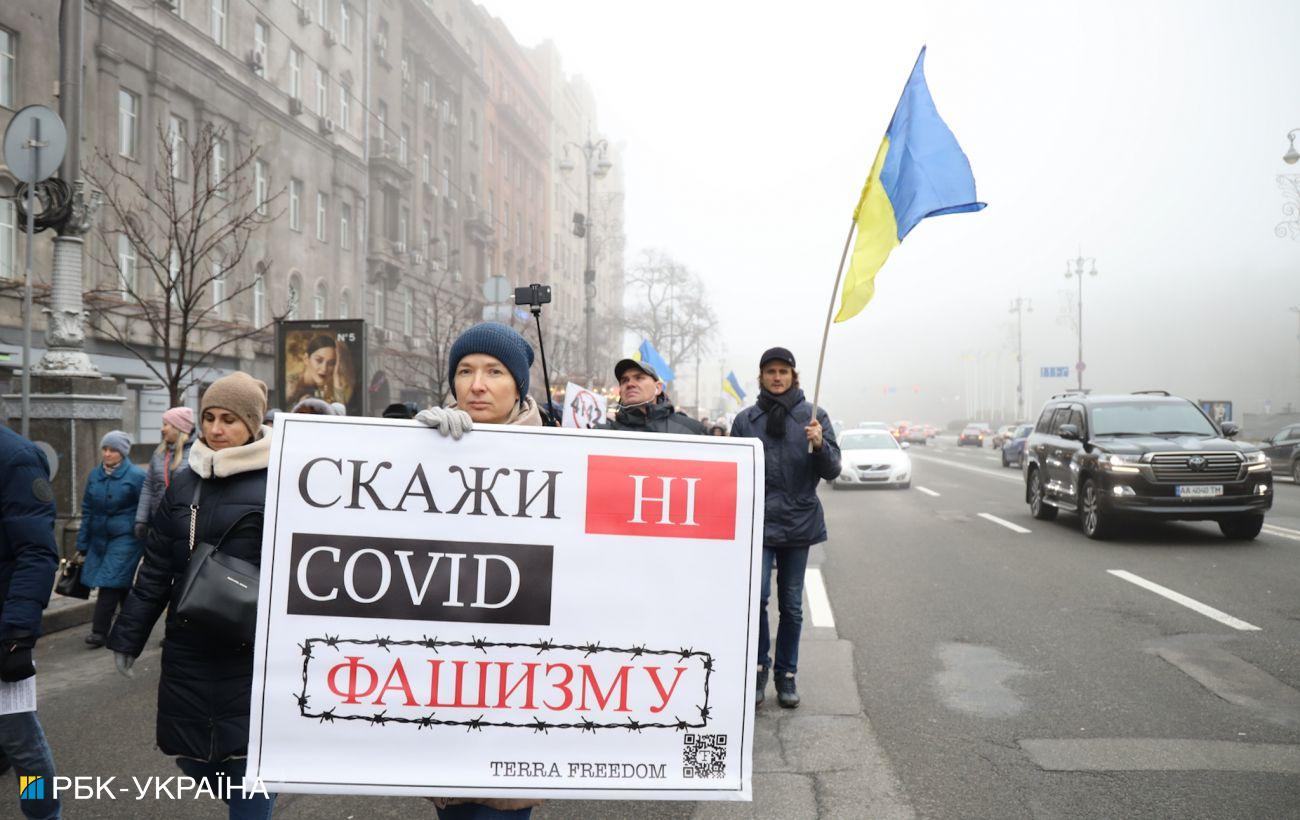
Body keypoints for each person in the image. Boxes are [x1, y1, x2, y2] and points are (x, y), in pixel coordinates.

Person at [108, 372, 277, 820]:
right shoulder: (186, 481)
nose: (217, 429)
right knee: (194, 756)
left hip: (252, 647)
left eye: (230, 420)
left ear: (253, 425)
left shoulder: (282, 479)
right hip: (190, 641)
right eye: (209, 418)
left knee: (246, 764)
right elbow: (157, 567)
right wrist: (128, 637)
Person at [416, 322, 543, 820]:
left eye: (494, 371)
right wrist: (415, 446)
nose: (477, 384)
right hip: (443, 669)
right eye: (465, 371)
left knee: (498, 807)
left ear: (519, 385)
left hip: (518, 670)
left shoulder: (559, 454)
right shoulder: (430, 441)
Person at [730, 347, 840, 709]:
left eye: (783, 372)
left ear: (794, 376)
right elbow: (731, 472)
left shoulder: (814, 416)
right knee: (757, 600)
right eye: (770, 371)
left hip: (799, 523)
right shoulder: (746, 420)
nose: (777, 377)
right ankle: (759, 670)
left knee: (792, 605)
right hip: (758, 524)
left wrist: (819, 443)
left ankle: (786, 675)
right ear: (760, 377)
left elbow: (833, 469)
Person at [0, 424, 61, 820]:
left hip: (3, 630)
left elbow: (37, 552)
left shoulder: (17, 458)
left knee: (21, 743)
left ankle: (43, 812)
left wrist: (18, 634)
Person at [77, 431, 146, 648]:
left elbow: (145, 507)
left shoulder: (136, 476)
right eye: (105, 449)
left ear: (123, 453)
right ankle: (133, 626)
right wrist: (82, 543)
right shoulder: (95, 475)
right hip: (99, 538)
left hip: (126, 538)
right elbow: (87, 509)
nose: (107, 454)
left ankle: (99, 631)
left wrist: (142, 531)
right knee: (120, 584)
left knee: (109, 581)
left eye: (113, 450)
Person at [599, 359, 706, 435]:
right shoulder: (602, 434)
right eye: (624, 380)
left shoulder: (692, 430)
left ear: (658, 388)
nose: (630, 384)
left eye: (639, 378)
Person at [135, 407, 195, 541]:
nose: (162, 429)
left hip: (184, 526)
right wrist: (141, 519)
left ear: (178, 427)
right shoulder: (159, 453)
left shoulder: (197, 453)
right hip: (158, 522)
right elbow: (148, 486)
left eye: (166, 425)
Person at [285, 334, 339, 408]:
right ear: (306, 359)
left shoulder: (327, 389)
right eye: (319, 360)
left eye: (331, 363)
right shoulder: (289, 386)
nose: (324, 368)